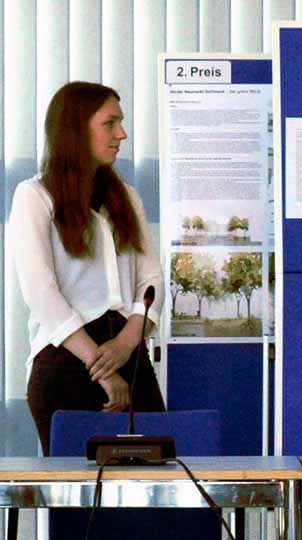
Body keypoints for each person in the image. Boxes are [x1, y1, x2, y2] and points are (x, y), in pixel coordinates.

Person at [10, 81, 166, 456]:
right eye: (110, 123)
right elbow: (42, 294)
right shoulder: (34, 197)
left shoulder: (126, 197)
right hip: (66, 360)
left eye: (121, 123)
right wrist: (103, 369)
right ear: (76, 128)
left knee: (158, 489)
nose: (122, 134)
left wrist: (127, 344)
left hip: (129, 354)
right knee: (77, 504)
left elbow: (152, 281)